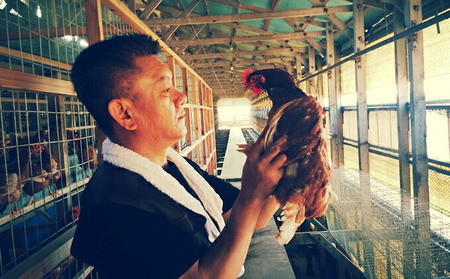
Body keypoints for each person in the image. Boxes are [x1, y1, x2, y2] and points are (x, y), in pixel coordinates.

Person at [70, 33, 287, 279]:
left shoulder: (176, 167)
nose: (182, 97)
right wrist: (254, 192)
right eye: (164, 89)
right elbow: (207, 275)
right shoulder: (115, 208)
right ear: (124, 114)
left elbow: (250, 218)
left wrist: (294, 176)